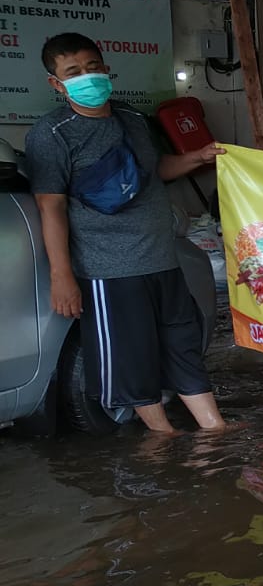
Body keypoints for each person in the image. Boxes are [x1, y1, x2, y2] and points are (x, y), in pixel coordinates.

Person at [25, 32, 226, 434]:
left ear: (105, 67)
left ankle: (214, 426)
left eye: (93, 67)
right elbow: (52, 205)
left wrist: (197, 158)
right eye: (74, 72)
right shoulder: (52, 134)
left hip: (162, 257)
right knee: (130, 355)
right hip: (110, 268)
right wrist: (62, 275)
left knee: (181, 342)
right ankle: (161, 434)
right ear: (56, 83)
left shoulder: (131, 119)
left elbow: (156, 172)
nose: (88, 76)